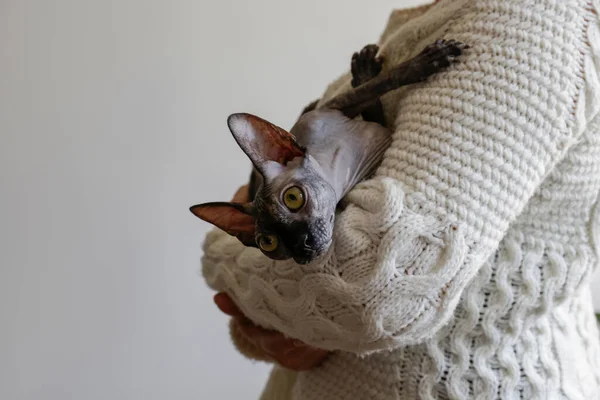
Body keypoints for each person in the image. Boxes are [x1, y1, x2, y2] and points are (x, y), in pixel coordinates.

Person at [201, 0, 600, 398]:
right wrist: (276, 329)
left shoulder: (531, 20)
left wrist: (218, 254)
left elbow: (379, 290)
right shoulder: (426, 19)